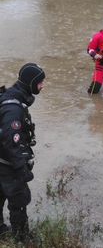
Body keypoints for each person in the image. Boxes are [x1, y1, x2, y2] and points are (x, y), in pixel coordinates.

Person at [0, 63, 45, 241]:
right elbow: (10, 140)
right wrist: (21, 168)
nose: (43, 85)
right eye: (40, 82)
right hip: (7, 164)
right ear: (31, 83)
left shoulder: (10, 96)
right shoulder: (13, 109)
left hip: (1, 160)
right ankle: (21, 237)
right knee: (19, 199)